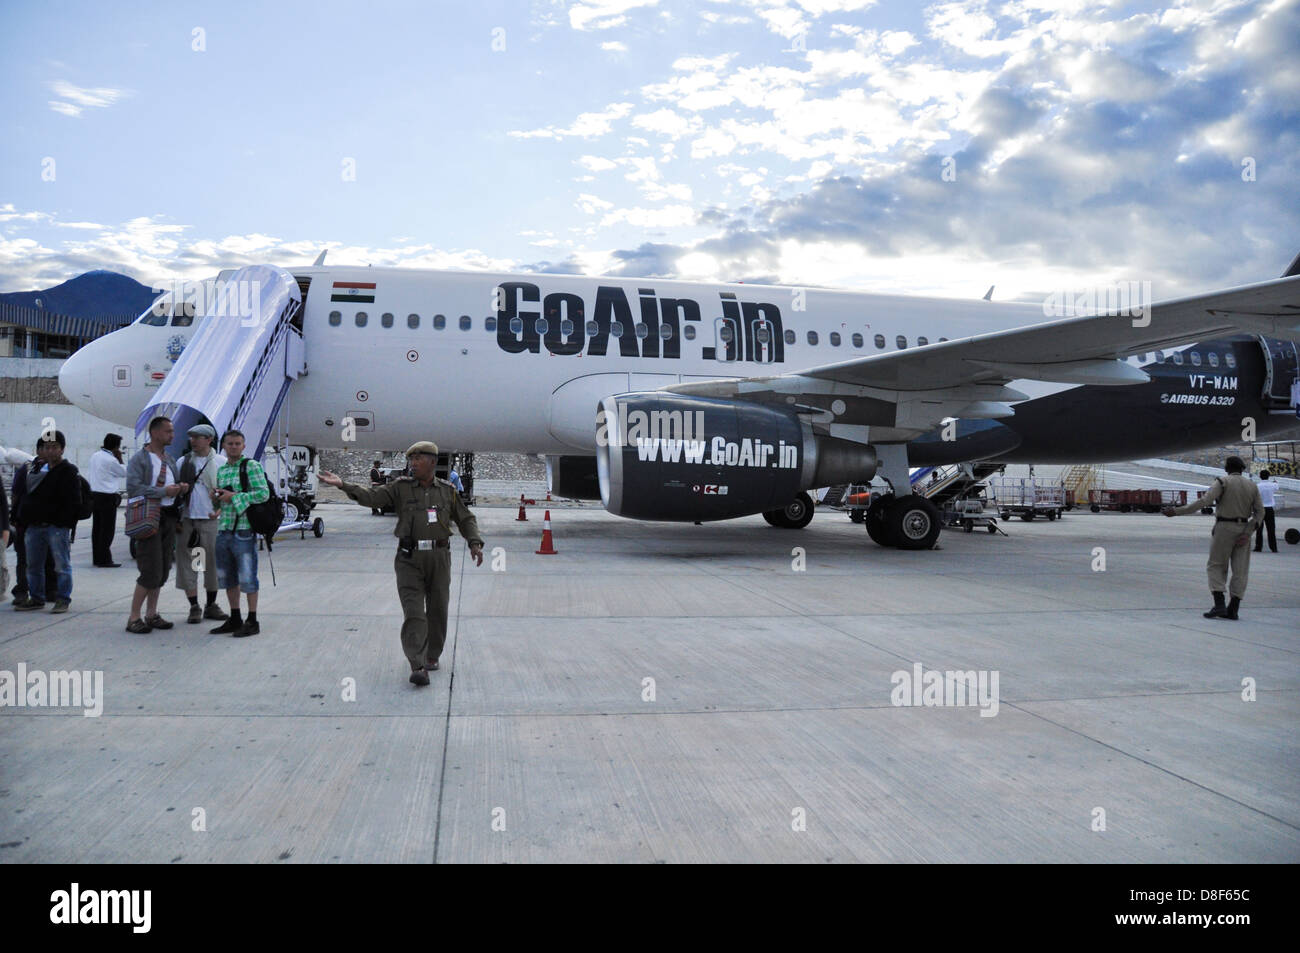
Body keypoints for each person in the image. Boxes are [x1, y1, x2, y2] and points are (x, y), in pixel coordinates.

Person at [318, 441, 483, 686]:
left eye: (418, 459)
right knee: (414, 613)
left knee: (438, 610)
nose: (413, 463)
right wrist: (343, 485)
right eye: (411, 459)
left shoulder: (447, 490)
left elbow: (465, 518)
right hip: (409, 559)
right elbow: (372, 498)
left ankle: (432, 655)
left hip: (439, 558)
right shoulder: (401, 488)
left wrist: (474, 543)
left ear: (432, 462)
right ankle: (416, 664)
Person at [1163, 455, 1264, 620]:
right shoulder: (1252, 486)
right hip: (1244, 528)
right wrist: (1248, 532)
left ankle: (1219, 604)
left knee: (1216, 565)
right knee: (1240, 570)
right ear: (1242, 469)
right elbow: (1260, 512)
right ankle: (1233, 608)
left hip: (1224, 527)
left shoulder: (1223, 482)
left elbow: (1204, 501)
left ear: (1227, 468)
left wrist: (1176, 511)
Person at [125, 416, 188, 633]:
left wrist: (180, 488)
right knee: (149, 569)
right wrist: (163, 492)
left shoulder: (169, 459)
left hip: (168, 518)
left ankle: (151, 613)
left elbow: (171, 486)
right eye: (168, 431)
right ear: (155, 433)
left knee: (161, 570)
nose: (172, 435)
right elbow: (133, 488)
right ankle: (134, 617)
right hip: (149, 517)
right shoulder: (140, 459)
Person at [208, 429, 268, 637]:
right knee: (228, 577)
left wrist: (234, 496)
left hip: (243, 529)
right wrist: (216, 498)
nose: (233, 447)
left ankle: (252, 620)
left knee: (247, 576)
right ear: (223, 446)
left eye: (237, 443)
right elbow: (223, 500)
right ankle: (235, 617)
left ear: (243, 446)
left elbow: (262, 494)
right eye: (230, 443)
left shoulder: (251, 466)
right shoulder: (222, 470)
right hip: (224, 528)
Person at [15, 430, 81, 613]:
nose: (50, 451)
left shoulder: (68, 471)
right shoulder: (34, 470)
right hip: (34, 526)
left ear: (62, 449)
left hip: (56, 527)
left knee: (61, 565)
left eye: (54, 447)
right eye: (47, 448)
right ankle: (36, 598)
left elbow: (74, 501)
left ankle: (63, 599)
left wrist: (64, 523)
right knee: (33, 565)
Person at [175, 423, 229, 624]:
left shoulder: (221, 463)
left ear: (208, 440)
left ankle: (211, 604)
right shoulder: (183, 462)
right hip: (188, 520)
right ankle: (194, 606)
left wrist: (220, 509)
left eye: (197, 437)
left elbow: (229, 492)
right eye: (192, 437)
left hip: (210, 521)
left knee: (211, 565)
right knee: (191, 564)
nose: (193, 441)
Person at [9, 450, 57, 604]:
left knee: (45, 559)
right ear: (38, 451)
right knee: (26, 559)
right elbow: (15, 494)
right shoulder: (27, 470)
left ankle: (44, 590)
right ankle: (26, 590)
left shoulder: (58, 469)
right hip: (27, 523)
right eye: (46, 447)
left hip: (46, 522)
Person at [88, 433, 127, 567]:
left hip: (95, 494)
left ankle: (97, 558)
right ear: (116, 447)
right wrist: (120, 459)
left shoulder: (95, 456)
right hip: (107, 496)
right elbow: (124, 473)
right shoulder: (111, 460)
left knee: (97, 529)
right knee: (107, 530)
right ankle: (105, 559)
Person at [1254, 469, 1279, 553]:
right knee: (1271, 529)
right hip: (1270, 509)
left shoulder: (1257, 486)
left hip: (1260, 509)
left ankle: (1258, 547)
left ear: (1260, 476)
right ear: (1268, 476)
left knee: (1259, 529)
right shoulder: (1273, 485)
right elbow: (1277, 486)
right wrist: (1275, 482)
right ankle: (1273, 547)